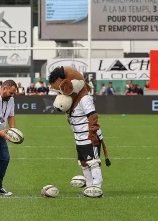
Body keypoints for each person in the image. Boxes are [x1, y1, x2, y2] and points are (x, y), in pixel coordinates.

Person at [47, 66, 111, 197]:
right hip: (79, 138)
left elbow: (92, 116)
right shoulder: (72, 100)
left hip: (89, 137)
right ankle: (89, 186)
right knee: (83, 163)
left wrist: (92, 133)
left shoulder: (84, 98)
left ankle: (97, 186)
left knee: (93, 162)